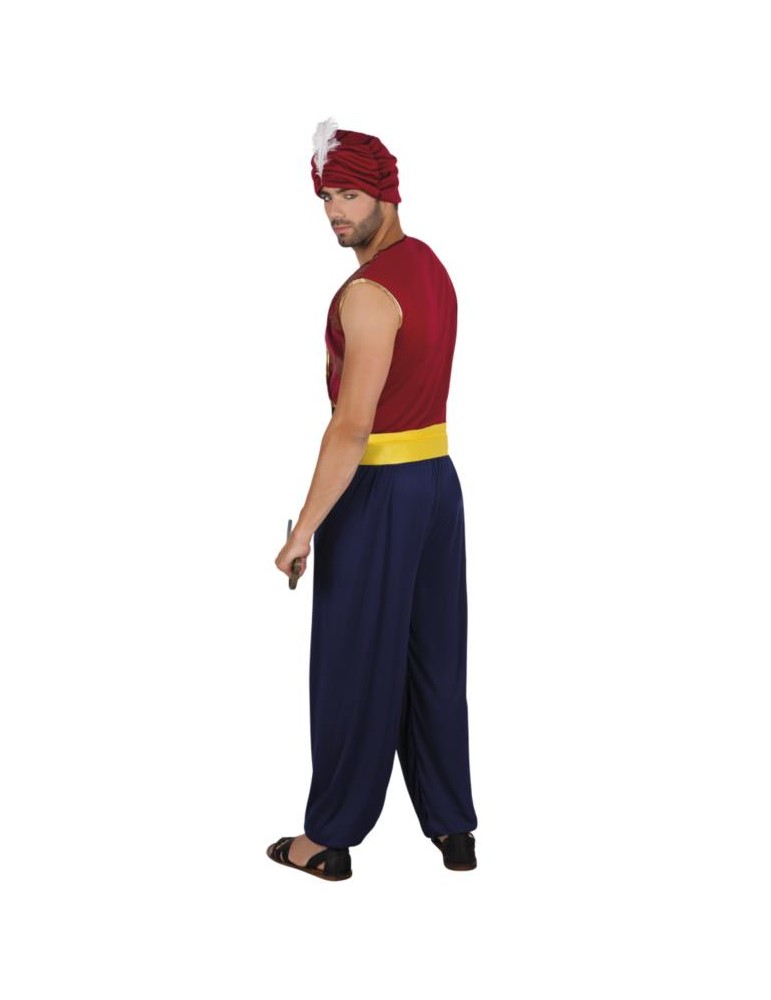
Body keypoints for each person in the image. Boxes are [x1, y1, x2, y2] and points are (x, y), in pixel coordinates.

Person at [267, 119, 477, 881]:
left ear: (386, 193)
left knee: (353, 662)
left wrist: (304, 531)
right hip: (437, 486)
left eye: (350, 195)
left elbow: (352, 426)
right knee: (432, 659)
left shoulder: (367, 293)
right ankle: (452, 829)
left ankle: (327, 839)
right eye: (326, 197)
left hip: (380, 491)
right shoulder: (431, 267)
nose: (335, 212)